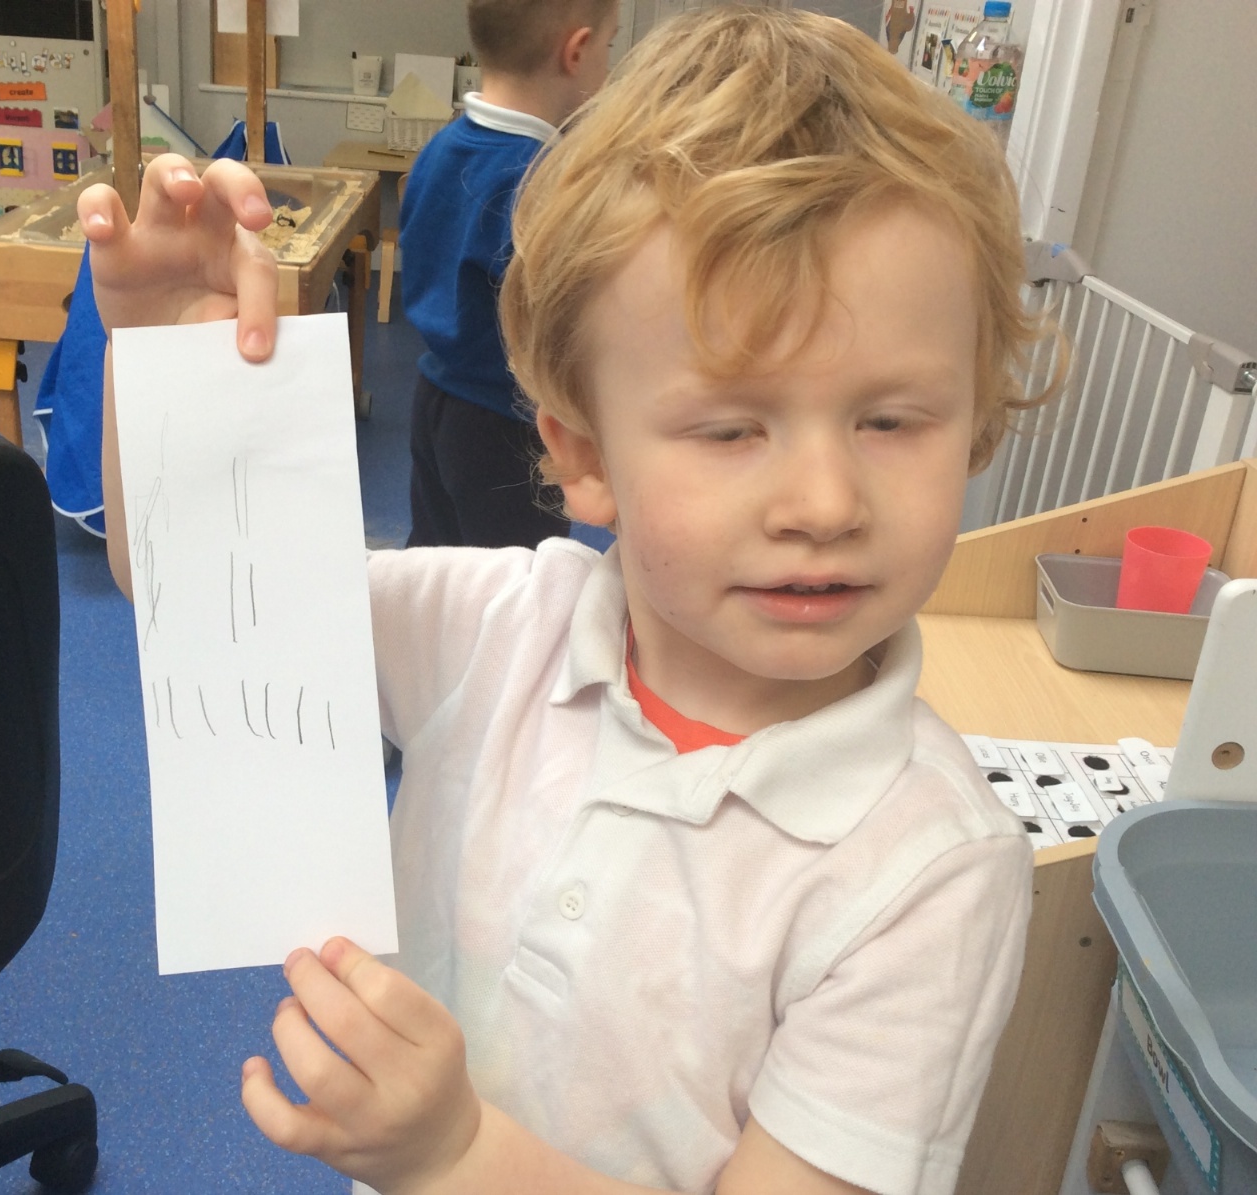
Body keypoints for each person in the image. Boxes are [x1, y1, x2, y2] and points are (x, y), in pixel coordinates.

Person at [80, 7, 1057, 1192]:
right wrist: (167, 360)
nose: (823, 502)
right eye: (731, 428)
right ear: (585, 455)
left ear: (973, 421)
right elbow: (196, 598)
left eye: (890, 419)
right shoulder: (494, 627)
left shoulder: (929, 867)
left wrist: (457, 1155)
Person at [398, 0, 617, 548]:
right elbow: (562, 320)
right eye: (609, 47)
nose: (609, 65)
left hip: (434, 398)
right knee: (518, 578)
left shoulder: (440, 148)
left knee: (439, 561)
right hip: (506, 425)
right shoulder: (541, 179)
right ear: (576, 51)